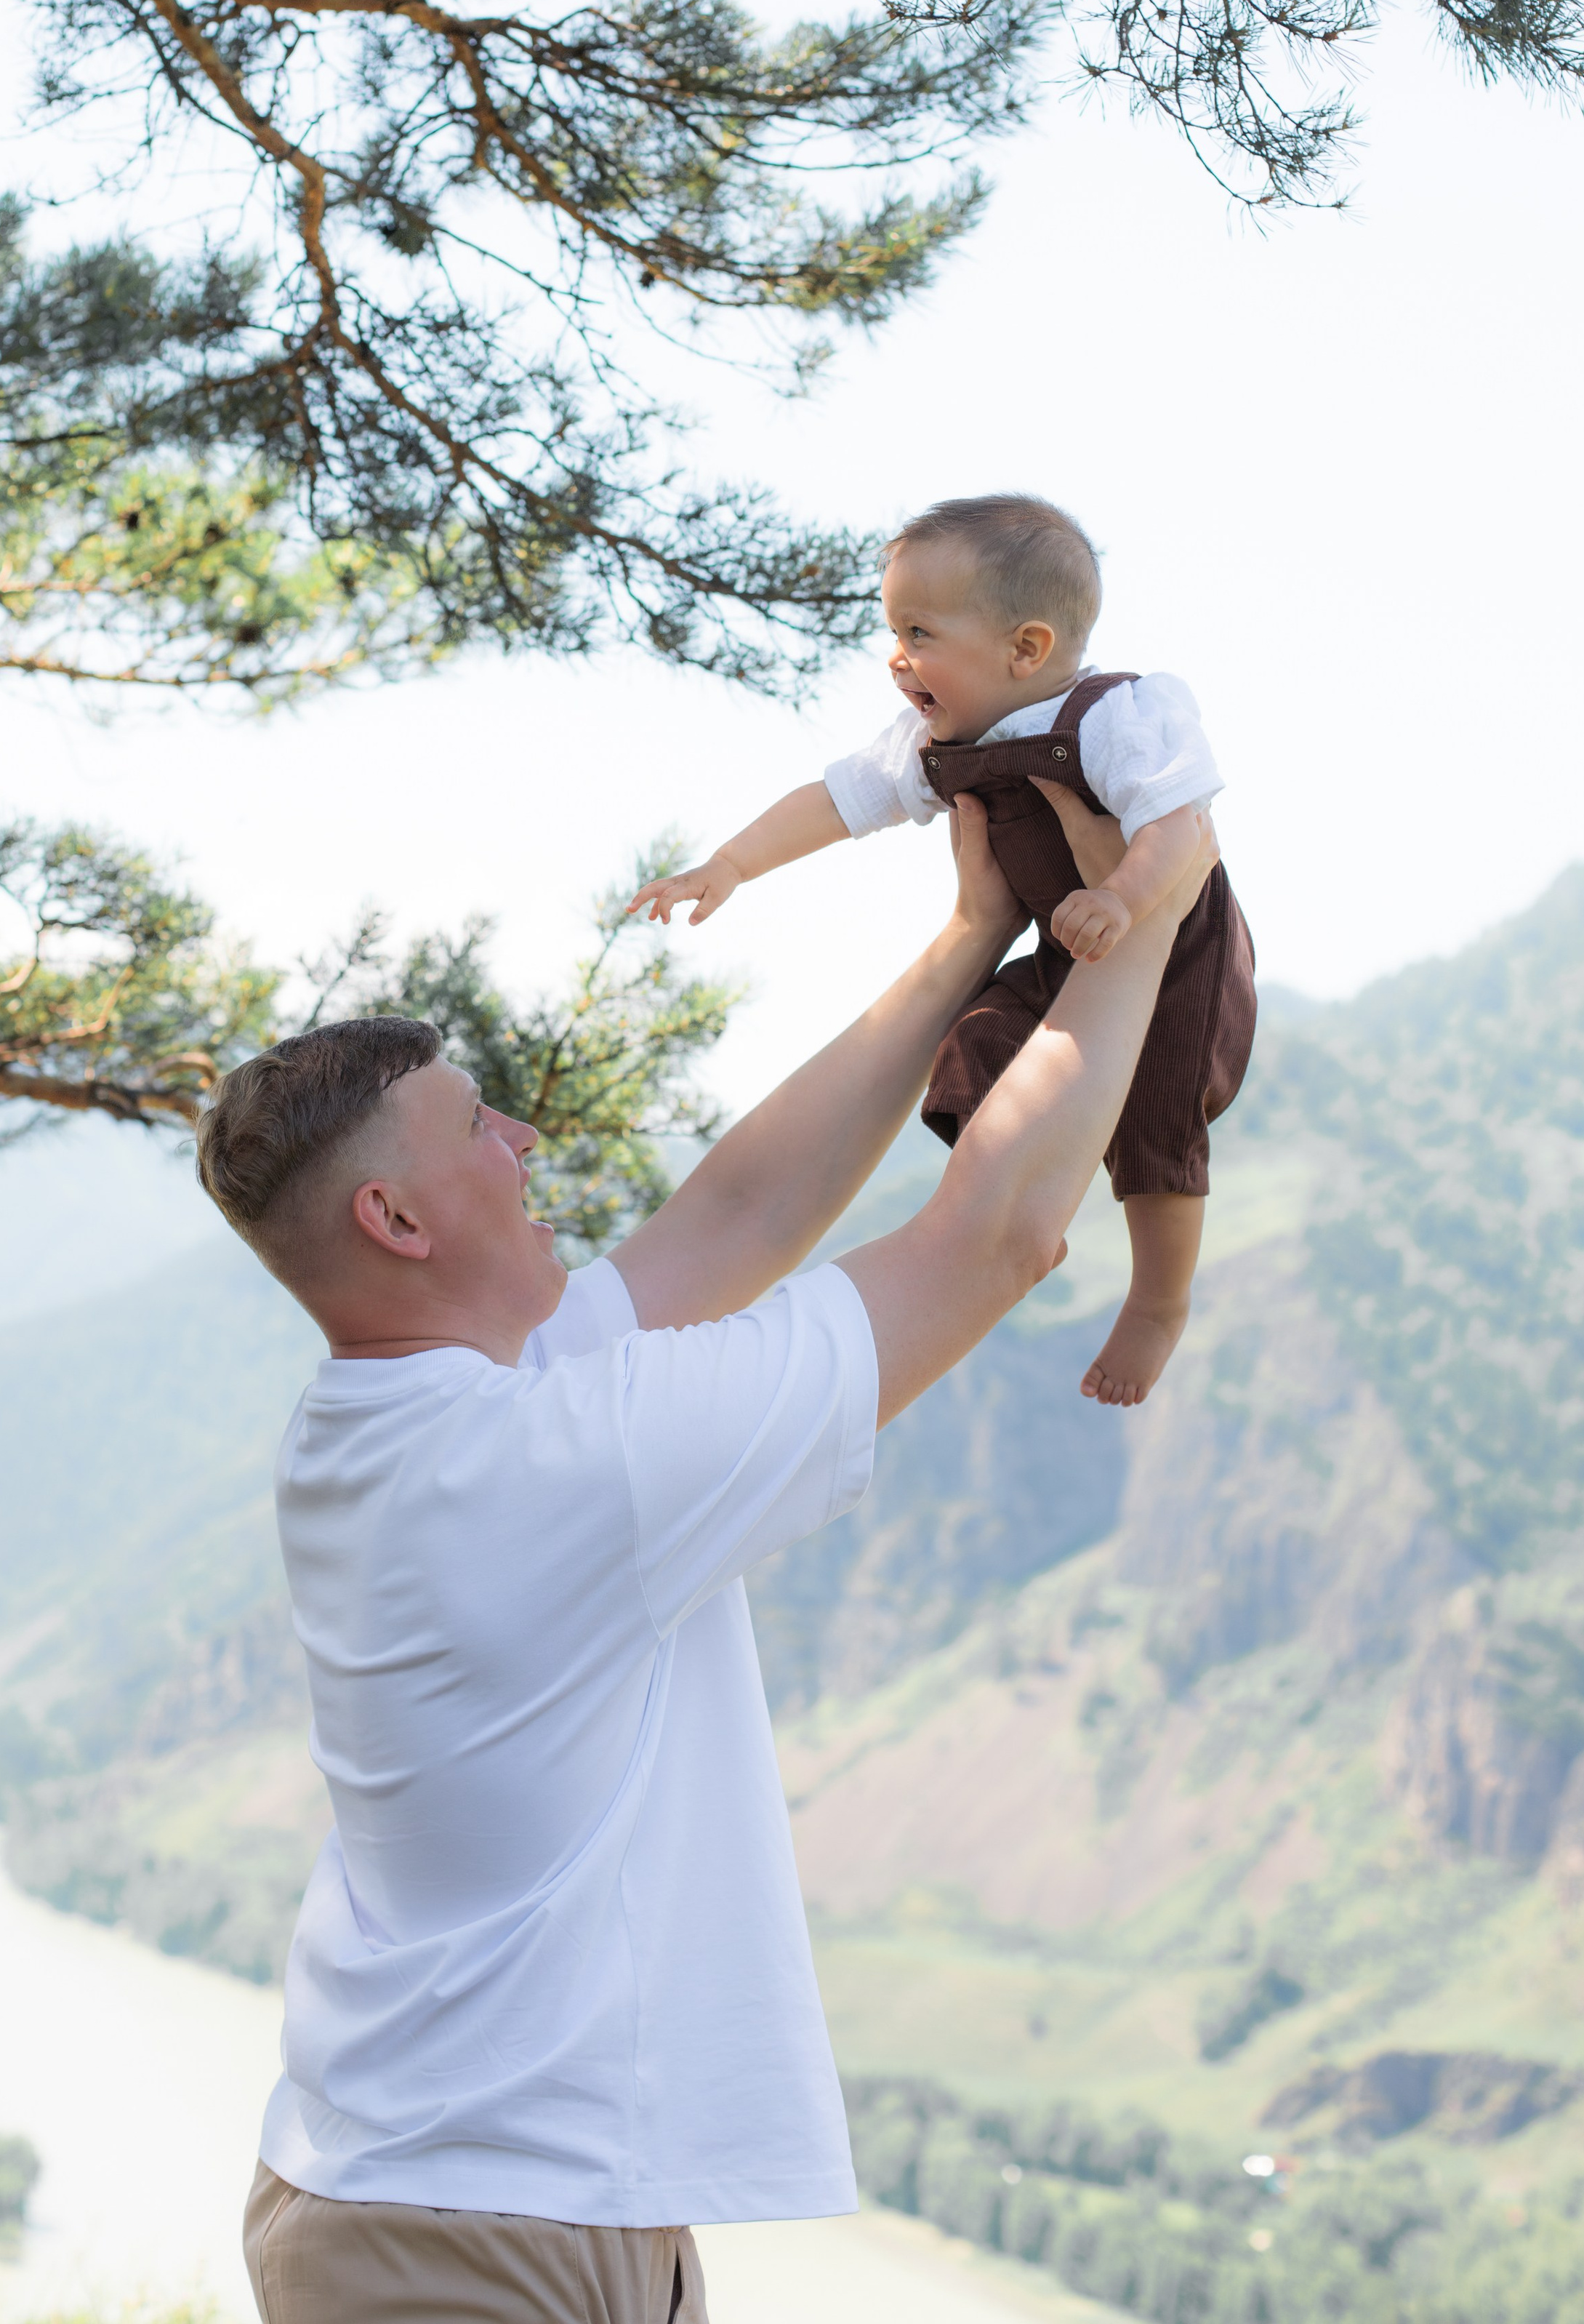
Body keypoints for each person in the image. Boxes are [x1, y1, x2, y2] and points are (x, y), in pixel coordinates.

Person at [194, 786, 1213, 2324]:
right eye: (478, 1124)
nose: (522, 1136)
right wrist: (1148, 904)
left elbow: (738, 1214)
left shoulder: (417, 1414)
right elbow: (992, 1234)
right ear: (396, 1217)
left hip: (467, 2193)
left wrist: (970, 935)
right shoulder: (536, 1464)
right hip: (477, 2227)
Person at [629, 492, 1256, 1409]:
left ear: (1025, 650)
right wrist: (729, 866)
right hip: (1064, 945)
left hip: (1176, 944)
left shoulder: (1118, 716)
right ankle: (1006, 1212)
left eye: (918, 632)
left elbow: (1177, 824)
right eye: (893, 630)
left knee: (1160, 1123)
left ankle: (1159, 1302)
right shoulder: (933, 741)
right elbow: (834, 802)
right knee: (976, 1051)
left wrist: (1119, 899)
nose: (896, 657)